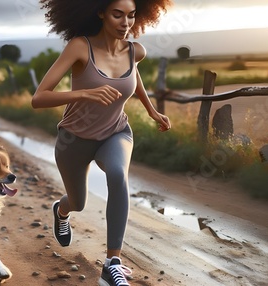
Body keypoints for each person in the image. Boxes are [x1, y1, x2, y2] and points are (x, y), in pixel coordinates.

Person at [32, 0, 172, 285]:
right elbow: (39, 98)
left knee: (118, 175)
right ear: (99, 12)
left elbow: (133, 75)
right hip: (74, 139)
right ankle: (61, 211)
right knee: (78, 202)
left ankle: (112, 263)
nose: (126, 23)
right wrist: (84, 94)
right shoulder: (79, 47)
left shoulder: (136, 51)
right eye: (117, 15)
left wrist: (151, 110)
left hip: (115, 132)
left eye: (132, 16)